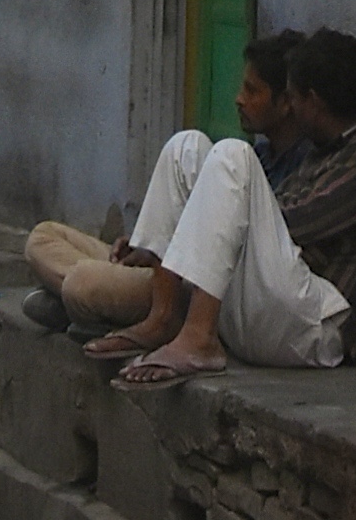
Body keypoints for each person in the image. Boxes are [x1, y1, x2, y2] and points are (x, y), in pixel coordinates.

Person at [85, 30, 356, 386]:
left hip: (319, 327)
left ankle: (199, 339)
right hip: (276, 304)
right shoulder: (324, 147)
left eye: (294, 98)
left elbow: (297, 222)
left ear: (313, 101)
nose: (292, 110)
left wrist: (225, 212)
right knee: (187, 147)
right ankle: (164, 317)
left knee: (233, 156)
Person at [25, 35, 302, 336]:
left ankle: (84, 301)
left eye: (252, 91)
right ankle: (85, 304)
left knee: (84, 282)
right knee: (43, 238)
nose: (239, 99)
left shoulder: (302, 173)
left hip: (201, 289)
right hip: (167, 271)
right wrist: (151, 249)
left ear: (286, 103)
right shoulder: (260, 156)